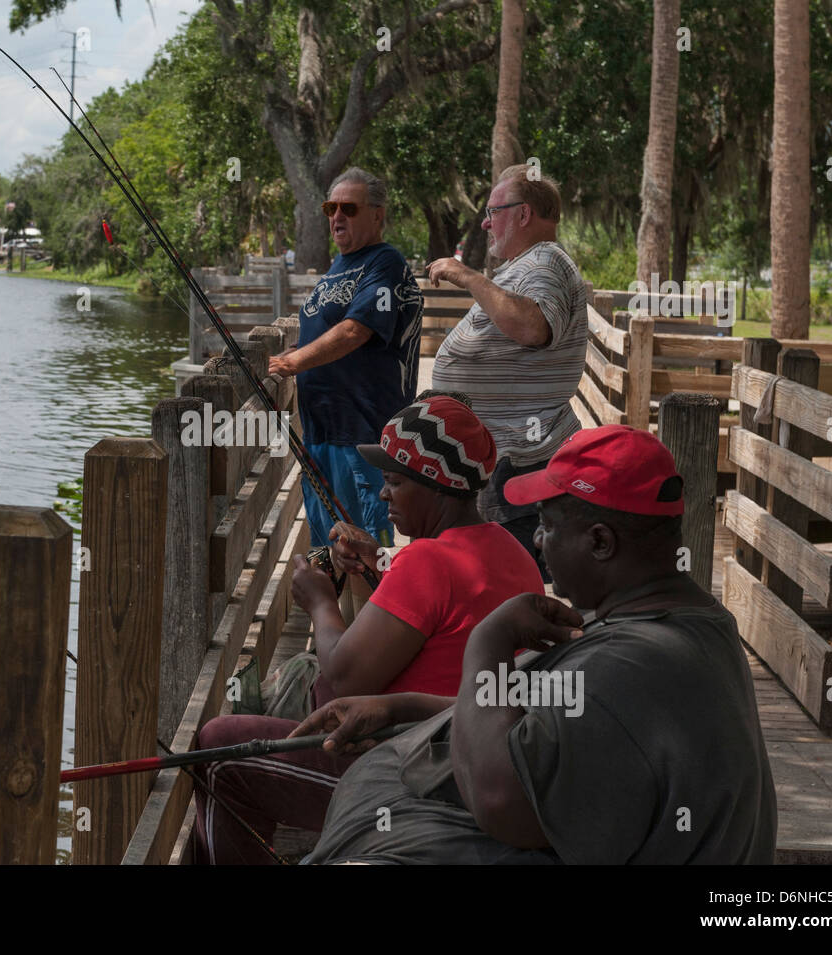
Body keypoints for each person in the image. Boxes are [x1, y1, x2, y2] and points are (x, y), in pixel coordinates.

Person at [294, 425, 776, 864]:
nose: (539, 542)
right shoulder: (693, 621)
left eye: (547, 525)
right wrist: (399, 707)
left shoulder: (633, 662)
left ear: (601, 542)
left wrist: (490, 640)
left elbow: (500, 800)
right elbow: (550, 717)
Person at [192, 393, 545, 864]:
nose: (383, 495)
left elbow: (342, 679)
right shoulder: (506, 545)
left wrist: (319, 602)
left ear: (436, 488)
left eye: (395, 483)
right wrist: (381, 563)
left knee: (219, 749)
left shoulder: (428, 560)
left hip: (411, 776)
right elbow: (444, 602)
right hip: (469, 760)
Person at [425, 164, 588, 577]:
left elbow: (533, 327)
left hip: (519, 458)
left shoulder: (546, 263)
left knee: (505, 580)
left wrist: (466, 275)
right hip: (508, 454)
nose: (484, 222)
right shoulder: (531, 264)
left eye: (493, 211)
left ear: (523, 214)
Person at [269, 167, 423, 551]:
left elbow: (357, 329)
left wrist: (293, 364)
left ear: (377, 214)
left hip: (362, 438)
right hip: (321, 435)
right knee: (332, 553)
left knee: (365, 555)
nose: (337, 216)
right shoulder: (340, 266)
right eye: (330, 207)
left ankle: (371, 613)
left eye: (348, 208)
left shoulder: (384, 263)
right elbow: (326, 331)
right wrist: (293, 354)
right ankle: (336, 612)